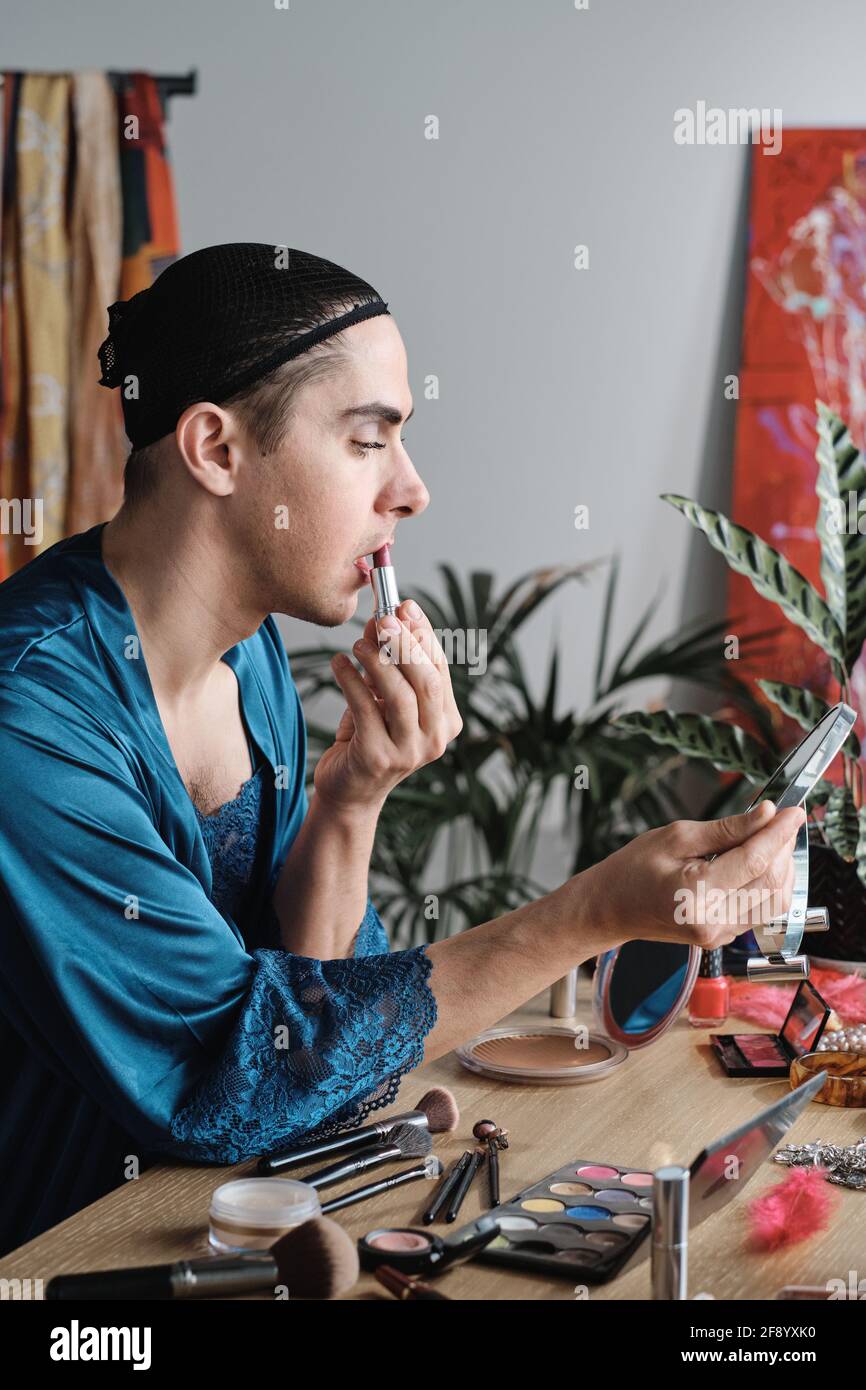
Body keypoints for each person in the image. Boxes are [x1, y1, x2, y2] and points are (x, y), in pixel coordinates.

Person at [0, 244, 802, 1255]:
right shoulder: (27, 714)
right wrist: (591, 912)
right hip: (60, 1263)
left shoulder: (247, 656)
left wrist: (353, 796)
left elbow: (310, 1039)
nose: (413, 490)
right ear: (215, 449)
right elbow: (225, 1076)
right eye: (366, 440)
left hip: (211, 1231)